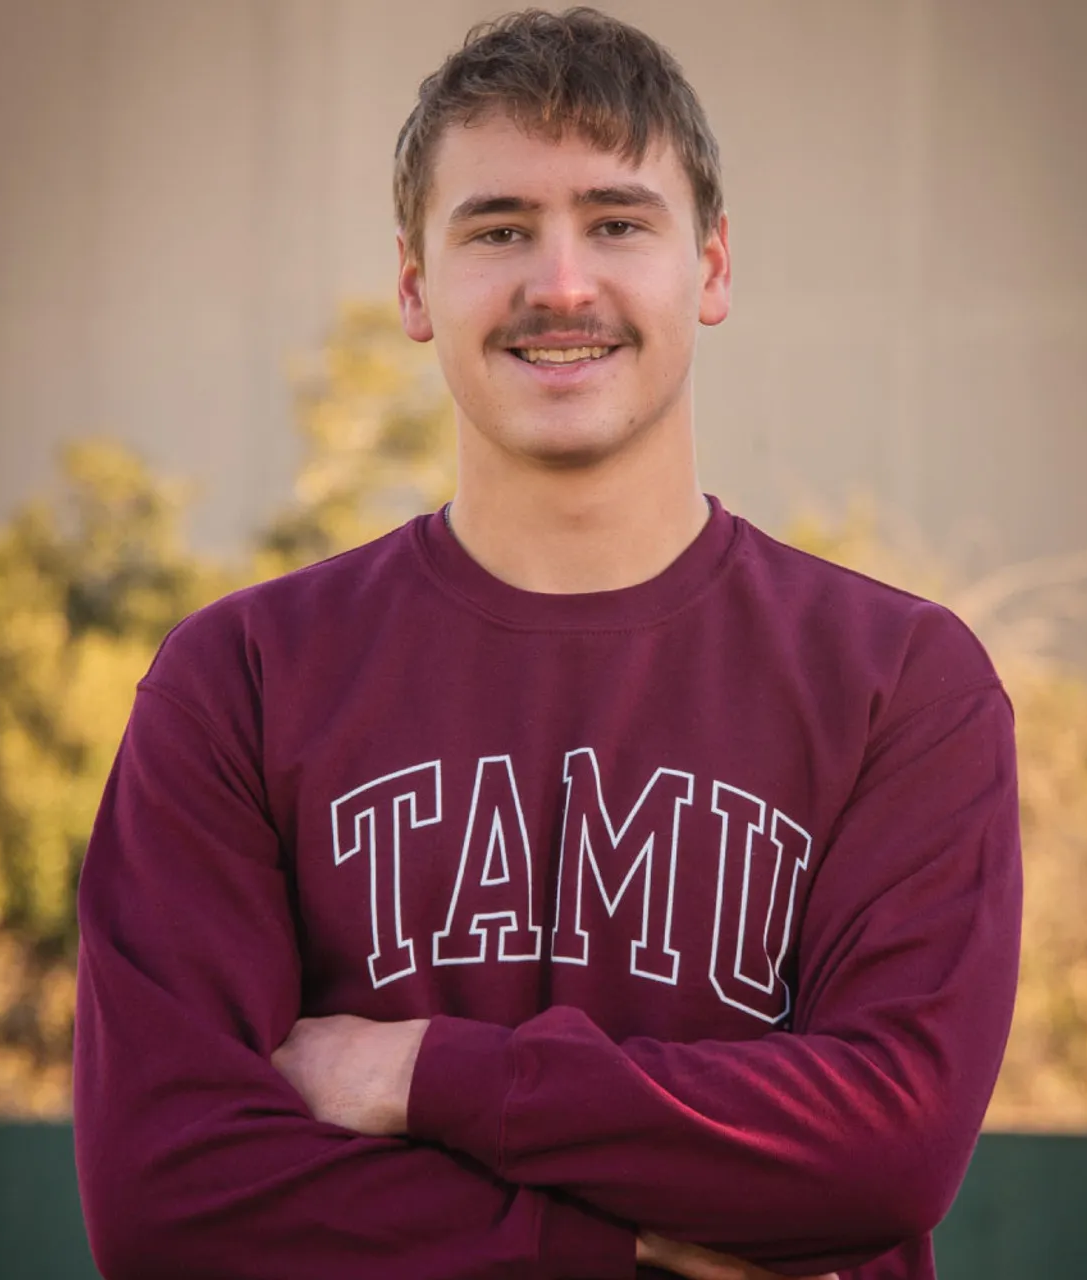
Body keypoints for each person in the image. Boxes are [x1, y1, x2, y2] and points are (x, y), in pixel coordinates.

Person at [72, 8, 1022, 1279]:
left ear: (713, 267)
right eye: (499, 228)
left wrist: (425, 1073)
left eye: (617, 222)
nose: (560, 283)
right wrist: (616, 1241)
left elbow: (884, 1147)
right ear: (414, 286)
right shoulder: (240, 679)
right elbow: (170, 1198)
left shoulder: (900, 680)